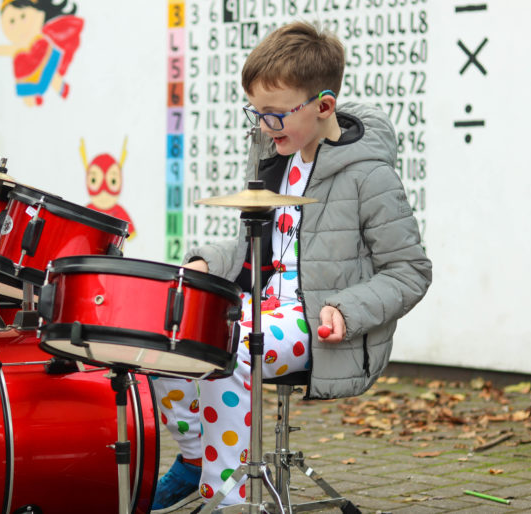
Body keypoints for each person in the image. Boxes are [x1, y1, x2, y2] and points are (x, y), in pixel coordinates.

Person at [151, 21, 432, 511]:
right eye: (257, 113)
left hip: (319, 320)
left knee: (227, 348)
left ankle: (230, 500)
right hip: (262, 304)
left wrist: (347, 309)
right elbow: (250, 249)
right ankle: (196, 458)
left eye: (275, 115)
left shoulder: (369, 174)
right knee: (162, 330)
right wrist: (205, 261)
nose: (263, 126)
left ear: (323, 106)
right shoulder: (271, 154)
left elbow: (410, 270)